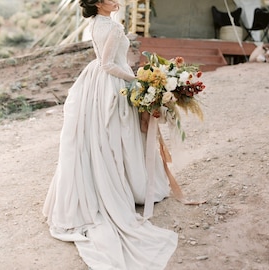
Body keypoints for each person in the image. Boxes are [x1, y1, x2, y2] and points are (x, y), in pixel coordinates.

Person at [42, 0, 178, 269]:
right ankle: (125, 186)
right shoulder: (113, 29)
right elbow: (107, 65)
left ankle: (114, 181)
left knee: (100, 139)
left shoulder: (95, 24)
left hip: (94, 82)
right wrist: (138, 80)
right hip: (112, 83)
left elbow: (100, 63)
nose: (116, 0)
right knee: (118, 137)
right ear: (98, 4)